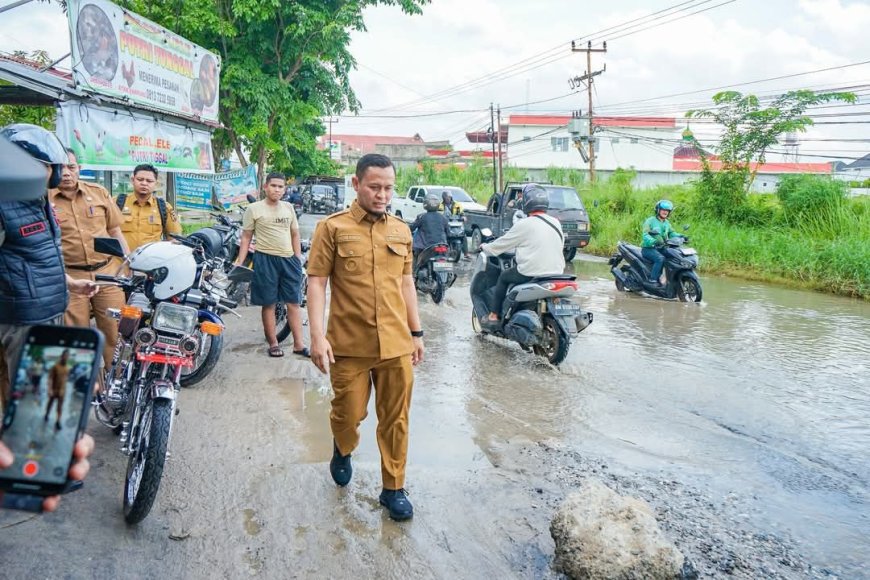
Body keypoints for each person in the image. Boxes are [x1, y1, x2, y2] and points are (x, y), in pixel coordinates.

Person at [307, 153, 424, 521]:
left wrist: (417, 332)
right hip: (349, 344)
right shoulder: (332, 227)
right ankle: (343, 448)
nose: (382, 195)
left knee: (396, 419)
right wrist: (316, 336)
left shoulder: (401, 231)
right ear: (356, 184)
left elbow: (407, 283)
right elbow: (316, 282)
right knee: (348, 414)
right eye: (374, 187)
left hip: (395, 344)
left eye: (388, 188)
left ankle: (393, 488)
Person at [0, 124, 96, 513]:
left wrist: (70, 282)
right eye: (45, 167)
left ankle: (32, 466)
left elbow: (40, 255)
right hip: (21, 316)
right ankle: (30, 469)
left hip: (44, 307)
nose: (53, 175)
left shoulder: (35, 199)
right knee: (38, 396)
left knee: (37, 395)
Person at [50, 149, 130, 375]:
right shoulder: (44, 200)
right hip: (70, 278)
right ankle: (83, 389)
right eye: (61, 168)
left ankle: (114, 385)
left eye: (71, 167)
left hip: (108, 274)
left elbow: (115, 230)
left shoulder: (98, 193)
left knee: (115, 333)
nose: (66, 173)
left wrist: (128, 264)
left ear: (79, 168)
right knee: (77, 338)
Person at [235, 172, 308, 358]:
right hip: (265, 259)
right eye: (273, 185)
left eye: (280, 186)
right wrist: (240, 261)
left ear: (284, 189)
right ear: (265, 187)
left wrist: (297, 259)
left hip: (289, 260)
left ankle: (299, 344)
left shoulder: (289, 208)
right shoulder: (254, 209)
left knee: (294, 302)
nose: (277, 189)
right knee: (269, 303)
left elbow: (294, 234)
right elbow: (246, 237)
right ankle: (273, 343)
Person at [480, 184, 565, 327]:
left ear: (526, 203)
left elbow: (502, 244)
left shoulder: (524, 224)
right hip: (557, 272)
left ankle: (494, 315)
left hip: (533, 272)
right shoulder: (555, 222)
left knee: (503, 277)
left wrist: (485, 248)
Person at [116, 164, 182, 252]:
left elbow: (175, 238)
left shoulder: (163, 207)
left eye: (149, 181)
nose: (144, 183)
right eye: (140, 179)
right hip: (121, 262)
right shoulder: (116, 203)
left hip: (151, 262)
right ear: (132, 180)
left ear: (156, 183)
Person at [641, 200, 681, 286]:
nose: (665, 212)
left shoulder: (667, 223)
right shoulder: (650, 221)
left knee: (675, 256)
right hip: (648, 248)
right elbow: (645, 235)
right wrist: (654, 241)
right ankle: (652, 280)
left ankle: (669, 279)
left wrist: (681, 236)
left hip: (662, 248)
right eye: (663, 209)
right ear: (658, 210)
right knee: (660, 258)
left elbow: (671, 233)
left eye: (667, 210)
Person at [409, 192, 449, 266]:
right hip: (441, 245)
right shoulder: (443, 217)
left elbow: (412, 228)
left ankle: (414, 274)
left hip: (425, 246)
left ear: (425, 204)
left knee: (414, 253)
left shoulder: (421, 217)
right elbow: (448, 232)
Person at [44, 349, 70, 430]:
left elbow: (66, 380)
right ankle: (47, 414)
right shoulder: (55, 366)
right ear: (61, 356)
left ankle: (58, 421)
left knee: (60, 407)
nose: (66, 358)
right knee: (50, 404)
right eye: (65, 356)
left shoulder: (67, 368)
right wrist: (50, 389)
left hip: (62, 391)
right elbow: (50, 378)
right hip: (54, 390)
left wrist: (64, 390)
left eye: (67, 356)